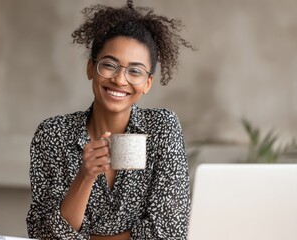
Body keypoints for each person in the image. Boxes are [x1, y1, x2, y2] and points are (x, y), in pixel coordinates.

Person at [26, 0, 193, 239]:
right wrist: (85, 176)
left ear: (147, 83)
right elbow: (44, 234)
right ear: (90, 69)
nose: (120, 80)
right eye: (109, 65)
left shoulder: (162, 128)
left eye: (134, 71)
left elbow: (170, 231)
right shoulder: (53, 134)